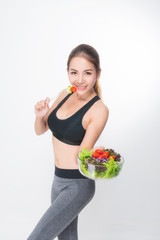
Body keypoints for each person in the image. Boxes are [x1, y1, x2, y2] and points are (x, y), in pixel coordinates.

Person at [27, 44, 109, 240]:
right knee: (67, 237)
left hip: (77, 185)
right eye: (74, 72)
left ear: (97, 73)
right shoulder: (65, 94)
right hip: (57, 181)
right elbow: (42, 129)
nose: (80, 80)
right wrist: (40, 116)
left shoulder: (98, 110)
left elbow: (82, 156)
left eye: (87, 73)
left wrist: (97, 156)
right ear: (68, 72)